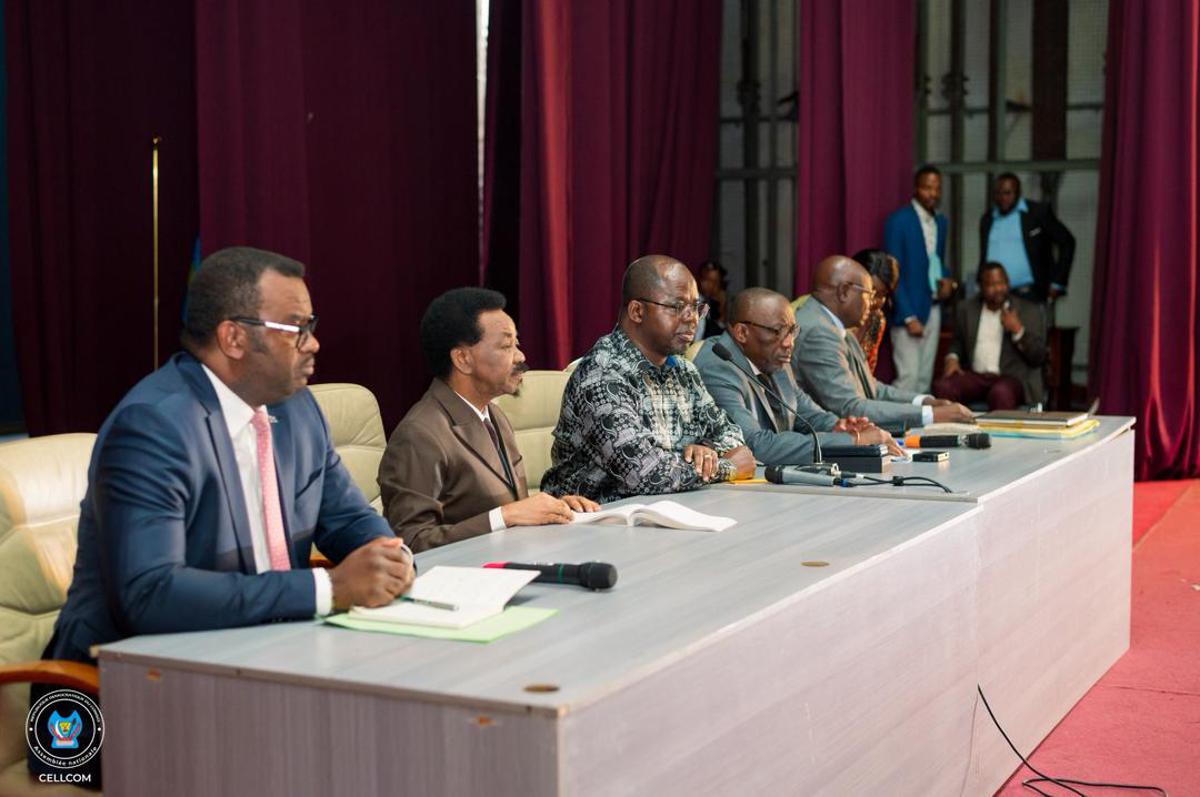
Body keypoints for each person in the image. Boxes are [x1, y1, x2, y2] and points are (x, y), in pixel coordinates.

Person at [34, 247, 414, 782]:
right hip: (118, 693)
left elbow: (350, 519)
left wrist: (390, 557)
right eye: (298, 328)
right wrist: (329, 589)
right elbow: (149, 595)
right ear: (234, 337)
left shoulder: (297, 409)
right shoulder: (154, 426)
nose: (313, 343)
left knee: (389, 738)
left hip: (259, 660)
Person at [378, 287, 598, 552]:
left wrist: (555, 508)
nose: (520, 356)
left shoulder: (494, 415)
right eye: (506, 346)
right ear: (463, 359)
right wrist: (504, 516)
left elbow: (509, 507)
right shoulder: (420, 434)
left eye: (517, 344)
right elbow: (410, 542)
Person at [540, 255, 756, 502]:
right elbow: (644, 472)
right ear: (637, 311)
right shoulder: (601, 375)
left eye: (696, 307)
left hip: (668, 507)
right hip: (596, 517)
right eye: (677, 307)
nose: (692, 318)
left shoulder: (684, 371)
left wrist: (706, 452)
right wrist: (726, 467)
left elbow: (730, 435)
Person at [693, 287, 903, 465]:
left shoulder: (772, 358)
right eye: (777, 331)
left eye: (792, 331)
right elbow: (755, 446)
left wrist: (841, 427)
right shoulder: (718, 366)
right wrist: (854, 441)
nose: (789, 343)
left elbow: (807, 413)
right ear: (741, 333)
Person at [791, 255, 974, 429]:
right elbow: (850, 408)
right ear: (844, 291)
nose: (872, 303)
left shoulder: (832, 324)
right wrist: (932, 415)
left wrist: (923, 402)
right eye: (869, 294)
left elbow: (870, 388)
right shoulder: (819, 331)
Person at [884, 165, 958, 393]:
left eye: (937, 188)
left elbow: (936, 261)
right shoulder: (898, 221)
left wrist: (949, 281)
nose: (933, 194)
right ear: (916, 188)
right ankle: (892, 417)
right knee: (909, 377)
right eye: (927, 188)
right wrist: (907, 315)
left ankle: (919, 419)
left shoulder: (941, 222)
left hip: (933, 306)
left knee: (924, 379)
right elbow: (892, 272)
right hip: (909, 310)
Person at [933, 262, 1047, 410]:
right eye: (991, 285)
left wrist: (1018, 330)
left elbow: (1039, 357)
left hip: (1010, 379)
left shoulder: (1027, 310)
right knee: (943, 386)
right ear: (980, 287)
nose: (998, 289)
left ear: (1008, 283)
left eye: (1001, 283)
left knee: (1001, 392)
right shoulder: (966, 309)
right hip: (975, 376)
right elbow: (958, 341)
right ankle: (952, 425)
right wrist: (952, 358)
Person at [979, 173, 1076, 302]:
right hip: (993, 294)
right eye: (998, 193)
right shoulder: (988, 218)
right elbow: (984, 255)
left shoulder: (1037, 212)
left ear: (1018, 193)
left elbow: (1067, 242)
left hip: (1029, 293)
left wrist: (1058, 282)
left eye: (1007, 193)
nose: (1002, 198)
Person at [849, 248, 900, 374]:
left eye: (881, 294)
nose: (872, 301)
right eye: (869, 291)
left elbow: (868, 372)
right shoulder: (834, 314)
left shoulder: (877, 319)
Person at [696, 259, 729, 338]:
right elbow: (700, 333)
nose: (712, 286)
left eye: (716, 282)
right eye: (708, 280)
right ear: (698, 279)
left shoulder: (711, 303)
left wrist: (722, 305)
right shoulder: (695, 302)